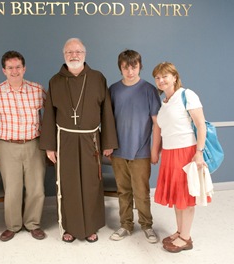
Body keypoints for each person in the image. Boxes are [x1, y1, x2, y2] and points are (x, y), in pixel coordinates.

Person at [39, 38, 118, 243]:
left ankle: (91, 226)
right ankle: (70, 227)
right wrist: (49, 146)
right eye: (69, 52)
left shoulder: (97, 78)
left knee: (92, 183)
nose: (74, 55)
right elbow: (48, 115)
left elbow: (106, 112)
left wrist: (108, 142)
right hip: (64, 140)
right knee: (68, 184)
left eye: (78, 51)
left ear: (85, 53)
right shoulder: (55, 81)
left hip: (91, 139)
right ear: (64, 55)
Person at [0, 51, 47, 241]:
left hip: (34, 144)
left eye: (18, 67)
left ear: (24, 68)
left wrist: (48, 142)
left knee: (36, 188)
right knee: (12, 189)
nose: (14, 71)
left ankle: (33, 224)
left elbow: (52, 114)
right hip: (7, 145)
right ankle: (13, 225)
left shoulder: (37, 89)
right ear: (3, 70)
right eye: (10, 68)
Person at [152, 62, 207, 253]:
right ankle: (180, 231)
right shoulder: (164, 103)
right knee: (177, 197)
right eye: (157, 78)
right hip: (169, 154)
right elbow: (162, 129)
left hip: (186, 153)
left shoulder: (187, 95)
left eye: (164, 76)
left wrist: (199, 152)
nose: (161, 80)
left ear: (175, 77)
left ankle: (186, 237)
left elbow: (201, 125)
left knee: (186, 196)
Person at [108, 50, 161, 243]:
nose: (130, 71)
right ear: (120, 68)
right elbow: (107, 121)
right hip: (118, 151)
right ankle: (126, 225)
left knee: (142, 191)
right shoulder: (113, 90)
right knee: (123, 191)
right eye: (125, 67)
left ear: (140, 66)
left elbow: (157, 123)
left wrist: (155, 150)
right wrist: (108, 146)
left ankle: (147, 225)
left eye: (134, 67)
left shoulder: (149, 89)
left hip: (141, 150)